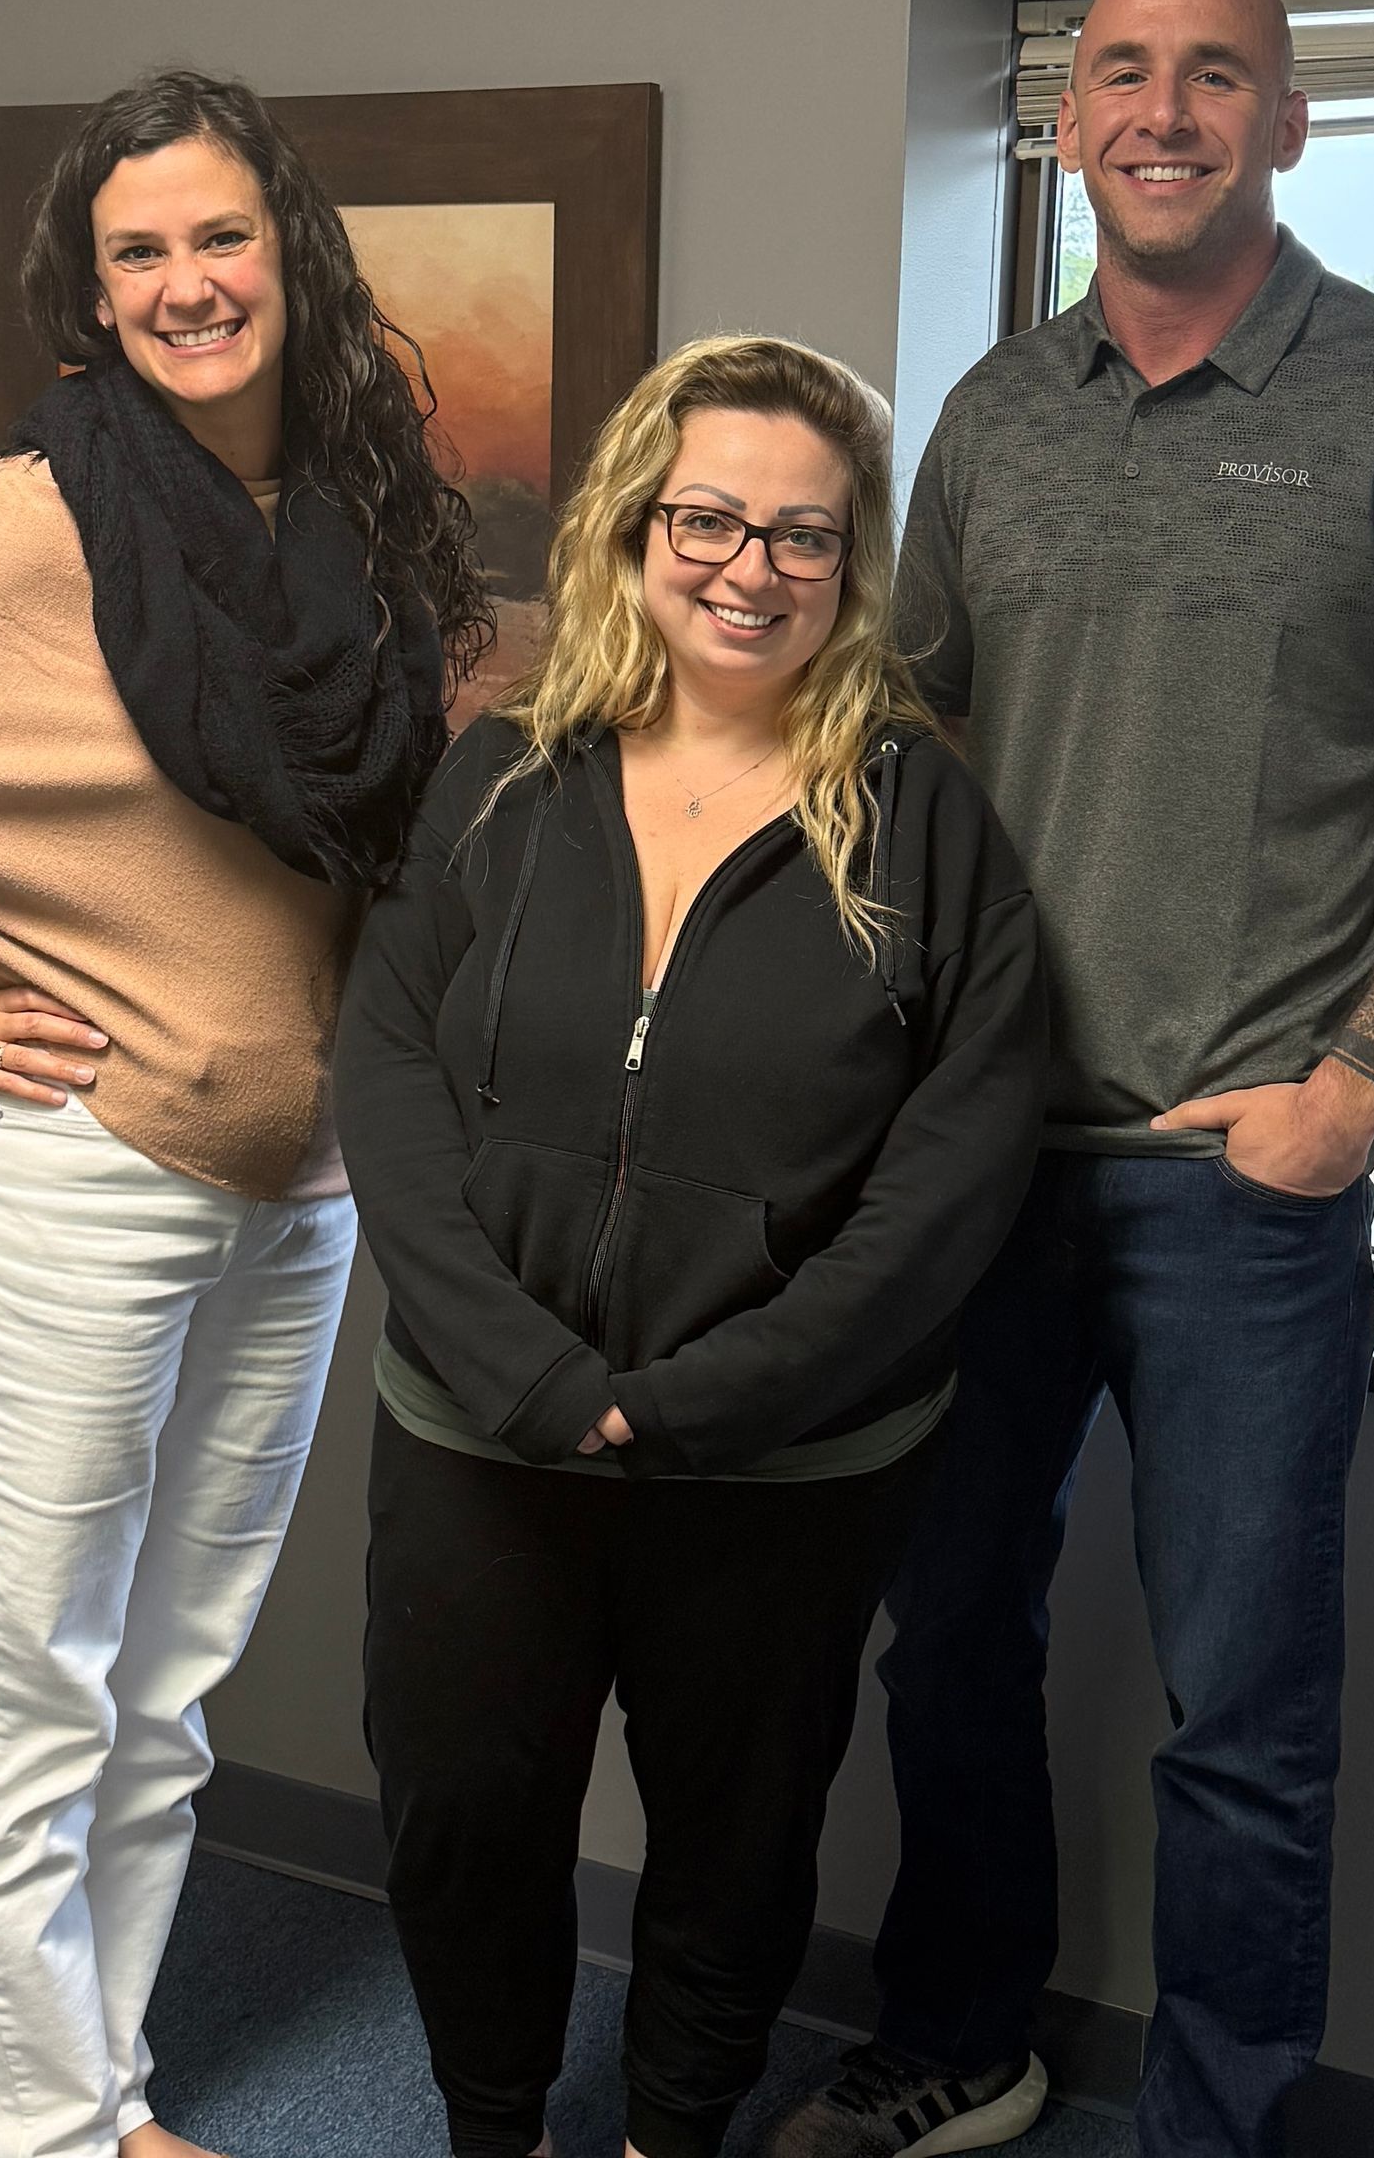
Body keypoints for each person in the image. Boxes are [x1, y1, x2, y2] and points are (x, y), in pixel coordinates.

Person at [766, 0, 1374, 2158]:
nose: (1161, 108)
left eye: (1216, 72)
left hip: (1241, 1185)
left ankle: (1213, 2124)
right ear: (1067, 119)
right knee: (943, 1643)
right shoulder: (994, 419)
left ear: (1290, 122)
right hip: (975, 1162)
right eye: (1118, 68)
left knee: (1243, 1711)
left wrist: (1354, 1092)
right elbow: (904, 734)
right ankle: (962, 2031)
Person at [0, 69, 488, 2158]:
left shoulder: (364, 515)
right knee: (36, 1679)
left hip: (302, 1191)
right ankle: (49, 2129)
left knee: (167, 1684)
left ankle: (107, 2083)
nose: (185, 281)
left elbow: (415, 816)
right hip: (80, 1181)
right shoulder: (45, 523)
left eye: (219, 237)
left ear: (287, 254)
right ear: (94, 288)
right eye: (138, 251)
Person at [335, 335, 1049, 2158]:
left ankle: (673, 2135)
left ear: (854, 563)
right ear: (635, 526)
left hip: (786, 1454)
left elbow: (955, 1164)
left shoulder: (924, 817)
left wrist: (721, 1392)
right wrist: (530, 1373)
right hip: (482, 1425)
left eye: (803, 537)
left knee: (739, 1835)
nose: (752, 567)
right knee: (463, 1813)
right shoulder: (503, 774)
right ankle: (491, 2125)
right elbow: (391, 1071)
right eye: (710, 518)